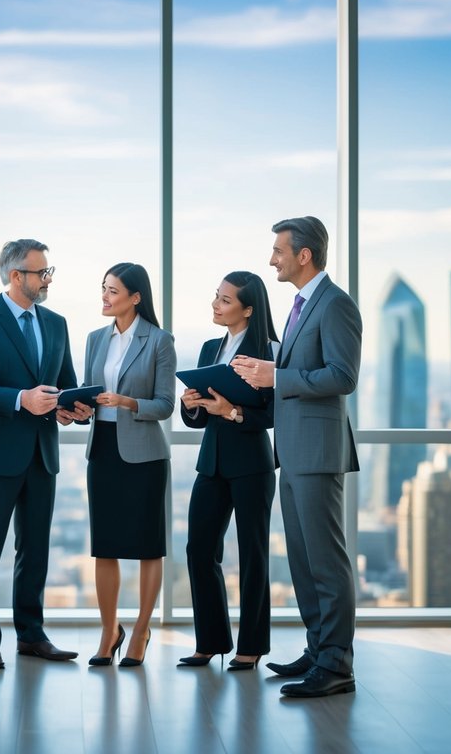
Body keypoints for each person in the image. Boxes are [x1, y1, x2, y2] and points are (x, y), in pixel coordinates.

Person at [233, 216, 361, 698]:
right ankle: (318, 650)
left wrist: (276, 377)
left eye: (278, 250)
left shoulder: (336, 305)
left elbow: (342, 377)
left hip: (318, 452)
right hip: (291, 450)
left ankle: (337, 665)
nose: (272, 259)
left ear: (303, 254)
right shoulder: (301, 305)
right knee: (305, 562)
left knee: (326, 561)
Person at [0, 238, 84, 668]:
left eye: (49, 271)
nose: (47, 279)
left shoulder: (57, 323)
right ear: (16, 276)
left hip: (42, 453)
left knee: (35, 549)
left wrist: (73, 408)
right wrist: (20, 400)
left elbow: (64, 381)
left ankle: (31, 634)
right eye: (40, 272)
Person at [178, 271, 277, 672]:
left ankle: (250, 647)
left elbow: (272, 414)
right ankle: (211, 642)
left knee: (253, 556)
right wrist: (191, 405)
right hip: (212, 462)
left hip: (252, 464)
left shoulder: (270, 351)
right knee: (199, 550)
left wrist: (232, 411)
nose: (216, 305)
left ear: (248, 309)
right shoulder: (208, 348)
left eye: (225, 300)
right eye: (215, 297)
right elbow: (199, 421)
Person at [79, 263, 176, 668]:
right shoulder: (94, 339)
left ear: (135, 297)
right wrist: (75, 408)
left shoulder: (159, 341)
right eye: (103, 288)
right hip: (102, 450)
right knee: (106, 547)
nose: (104, 296)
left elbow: (165, 404)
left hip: (145, 455)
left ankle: (141, 629)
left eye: (112, 290)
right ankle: (109, 630)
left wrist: (127, 402)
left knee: (147, 547)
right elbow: (88, 395)